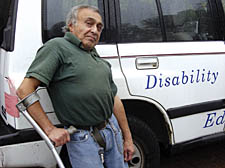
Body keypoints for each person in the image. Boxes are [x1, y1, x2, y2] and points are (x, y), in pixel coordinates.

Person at [16, 5, 134, 168]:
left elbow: (114, 98)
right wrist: (50, 130)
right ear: (71, 25)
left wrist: (128, 139)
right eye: (89, 23)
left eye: (99, 27)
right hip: (82, 137)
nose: (95, 30)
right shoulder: (57, 47)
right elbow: (24, 90)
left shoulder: (93, 54)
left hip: (111, 129)